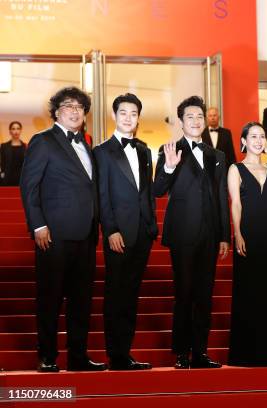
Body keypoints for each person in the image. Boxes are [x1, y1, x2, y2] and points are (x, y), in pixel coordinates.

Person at [19, 87, 106, 372]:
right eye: (68, 105)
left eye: (80, 106)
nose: (75, 110)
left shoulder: (87, 145)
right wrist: (38, 225)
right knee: (50, 298)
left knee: (81, 302)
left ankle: (78, 357)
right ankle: (47, 356)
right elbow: (29, 186)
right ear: (56, 111)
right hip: (53, 235)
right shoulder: (43, 141)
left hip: (85, 235)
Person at [153, 96, 230, 369]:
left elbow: (222, 196)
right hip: (183, 233)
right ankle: (182, 353)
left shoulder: (217, 155)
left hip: (210, 234)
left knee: (204, 296)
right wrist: (169, 166)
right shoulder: (169, 149)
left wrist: (224, 235)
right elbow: (157, 190)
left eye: (200, 117)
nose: (196, 121)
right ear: (181, 122)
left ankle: (200, 352)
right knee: (184, 294)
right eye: (190, 117)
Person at [93, 93, 157, 370]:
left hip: (142, 232)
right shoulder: (101, 151)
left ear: (138, 118)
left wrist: (151, 225)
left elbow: (147, 192)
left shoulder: (144, 150)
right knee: (116, 293)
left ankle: (125, 353)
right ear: (114, 116)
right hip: (118, 233)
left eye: (133, 113)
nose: (128, 118)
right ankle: (115, 355)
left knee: (131, 294)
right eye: (123, 113)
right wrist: (110, 230)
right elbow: (102, 195)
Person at [227, 122, 267, 367]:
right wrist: (238, 233)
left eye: (262, 136)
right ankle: (246, 354)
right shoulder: (236, 169)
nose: (259, 140)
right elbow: (236, 204)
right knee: (249, 291)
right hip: (248, 235)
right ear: (244, 141)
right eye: (253, 136)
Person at [0, 121, 26, 186]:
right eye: (13, 129)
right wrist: (2, 174)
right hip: (7, 179)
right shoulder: (4, 146)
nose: (16, 131)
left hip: (22, 179)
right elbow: (2, 163)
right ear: (10, 131)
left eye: (18, 128)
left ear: (21, 130)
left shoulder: (26, 147)